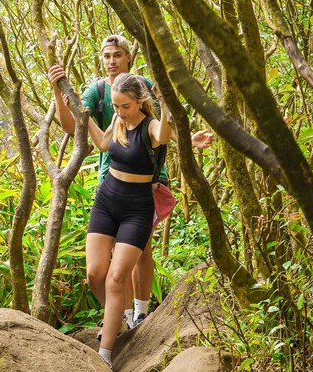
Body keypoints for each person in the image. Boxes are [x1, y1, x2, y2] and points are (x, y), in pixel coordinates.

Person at [48, 35, 212, 330]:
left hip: (147, 179)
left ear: (128, 58)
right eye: (107, 55)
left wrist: (189, 140)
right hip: (110, 181)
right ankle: (122, 314)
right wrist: (58, 95)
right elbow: (73, 125)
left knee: (141, 248)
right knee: (109, 260)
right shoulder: (98, 91)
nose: (111, 61)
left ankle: (140, 312)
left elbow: (158, 126)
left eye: (117, 55)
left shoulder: (142, 87)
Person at [68, 72, 171, 366]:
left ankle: (105, 356)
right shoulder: (118, 121)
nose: (120, 112)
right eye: (115, 106)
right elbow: (102, 144)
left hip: (137, 206)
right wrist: (82, 110)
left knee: (116, 278)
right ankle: (121, 318)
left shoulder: (150, 125)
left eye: (125, 106)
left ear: (140, 102)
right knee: (94, 273)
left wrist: (165, 102)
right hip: (107, 199)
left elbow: (164, 136)